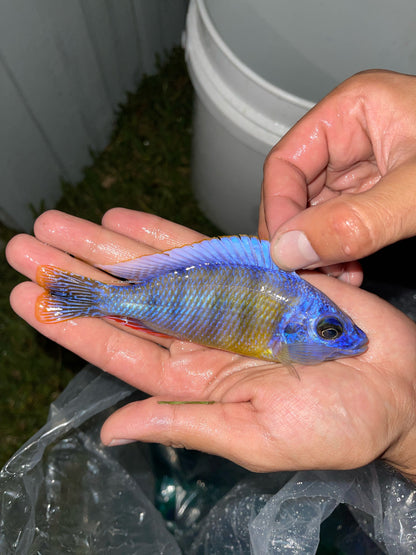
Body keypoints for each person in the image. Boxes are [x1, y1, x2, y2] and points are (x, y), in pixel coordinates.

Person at [6, 70, 416, 484]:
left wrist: (405, 418)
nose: (349, 341)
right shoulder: (286, 319)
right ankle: (91, 298)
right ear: (295, 327)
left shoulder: (301, 310)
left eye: (331, 329)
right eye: (330, 329)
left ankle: (91, 298)